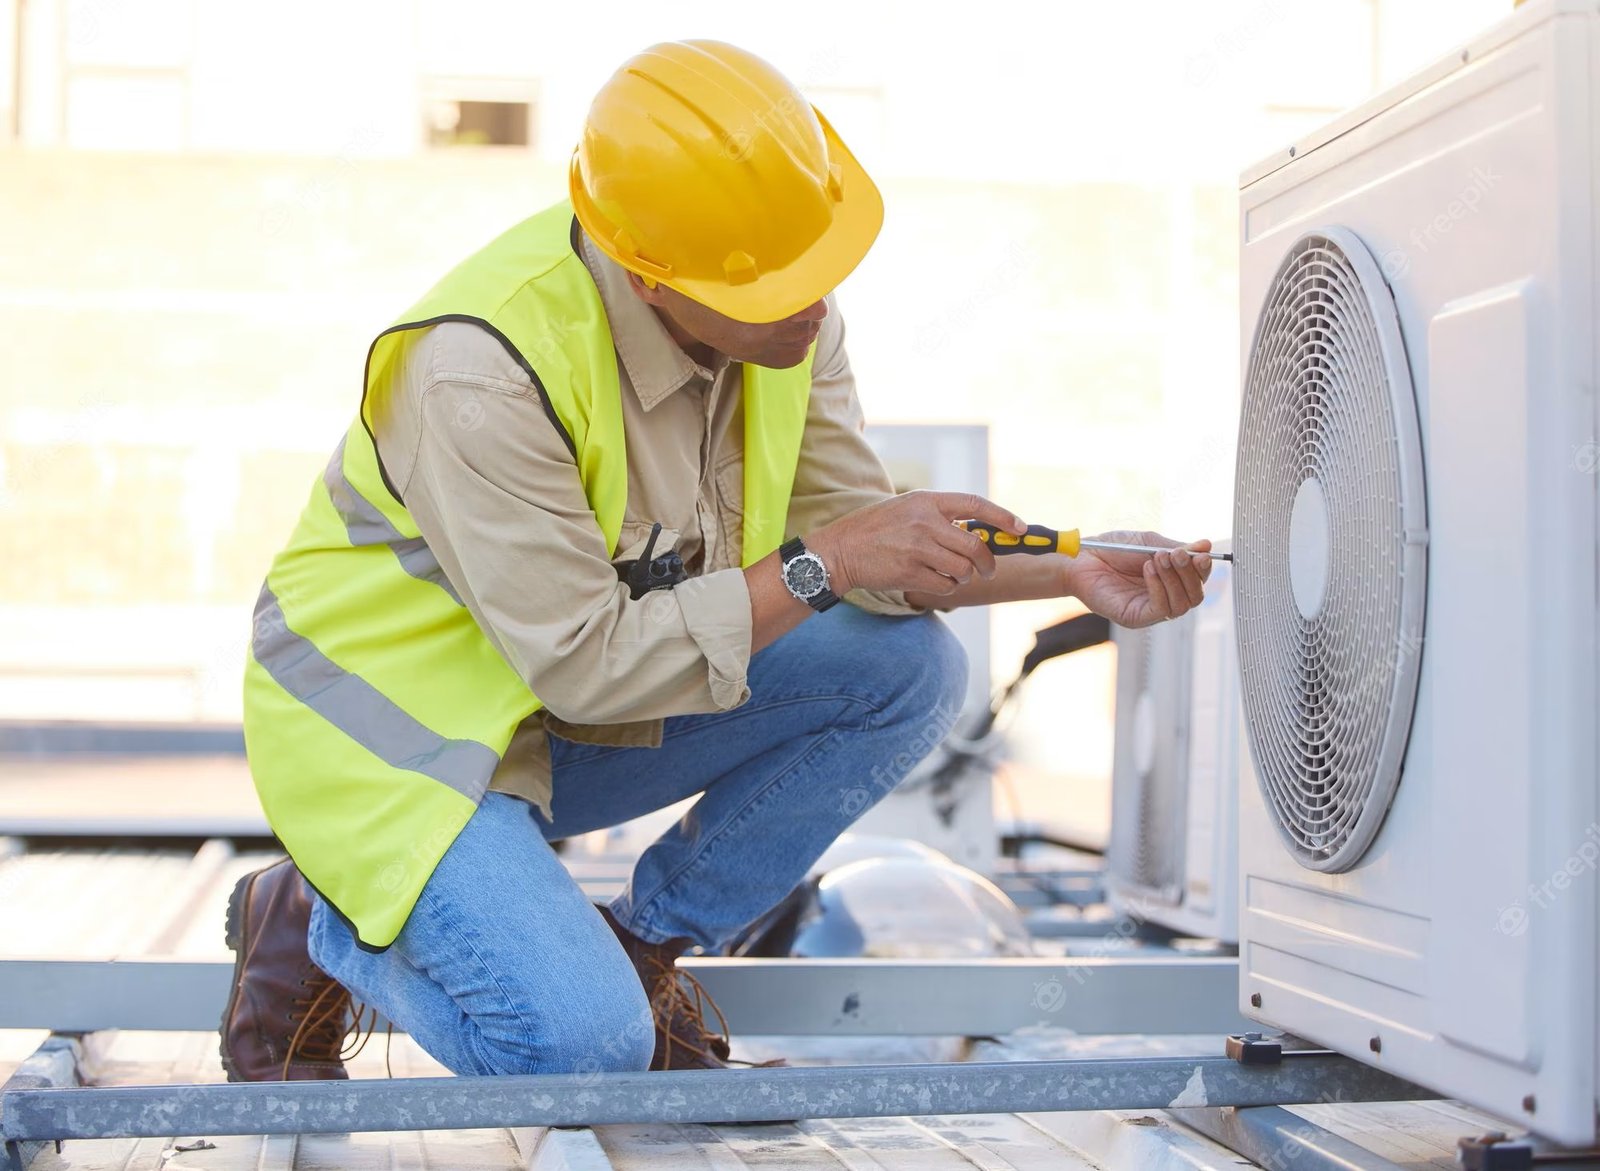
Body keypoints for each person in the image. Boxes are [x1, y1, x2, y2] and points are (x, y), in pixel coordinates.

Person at [219, 39, 1214, 1083]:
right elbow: (596, 663)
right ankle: (316, 914)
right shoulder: (479, 368)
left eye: (820, 266)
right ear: (648, 274)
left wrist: (1074, 568)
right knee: (578, 1050)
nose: (819, 301)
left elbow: (871, 555)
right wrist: (819, 561)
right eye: (783, 284)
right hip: (391, 743)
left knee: (908, 668)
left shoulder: (777, 319)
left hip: (542, 713)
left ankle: (640, 948)